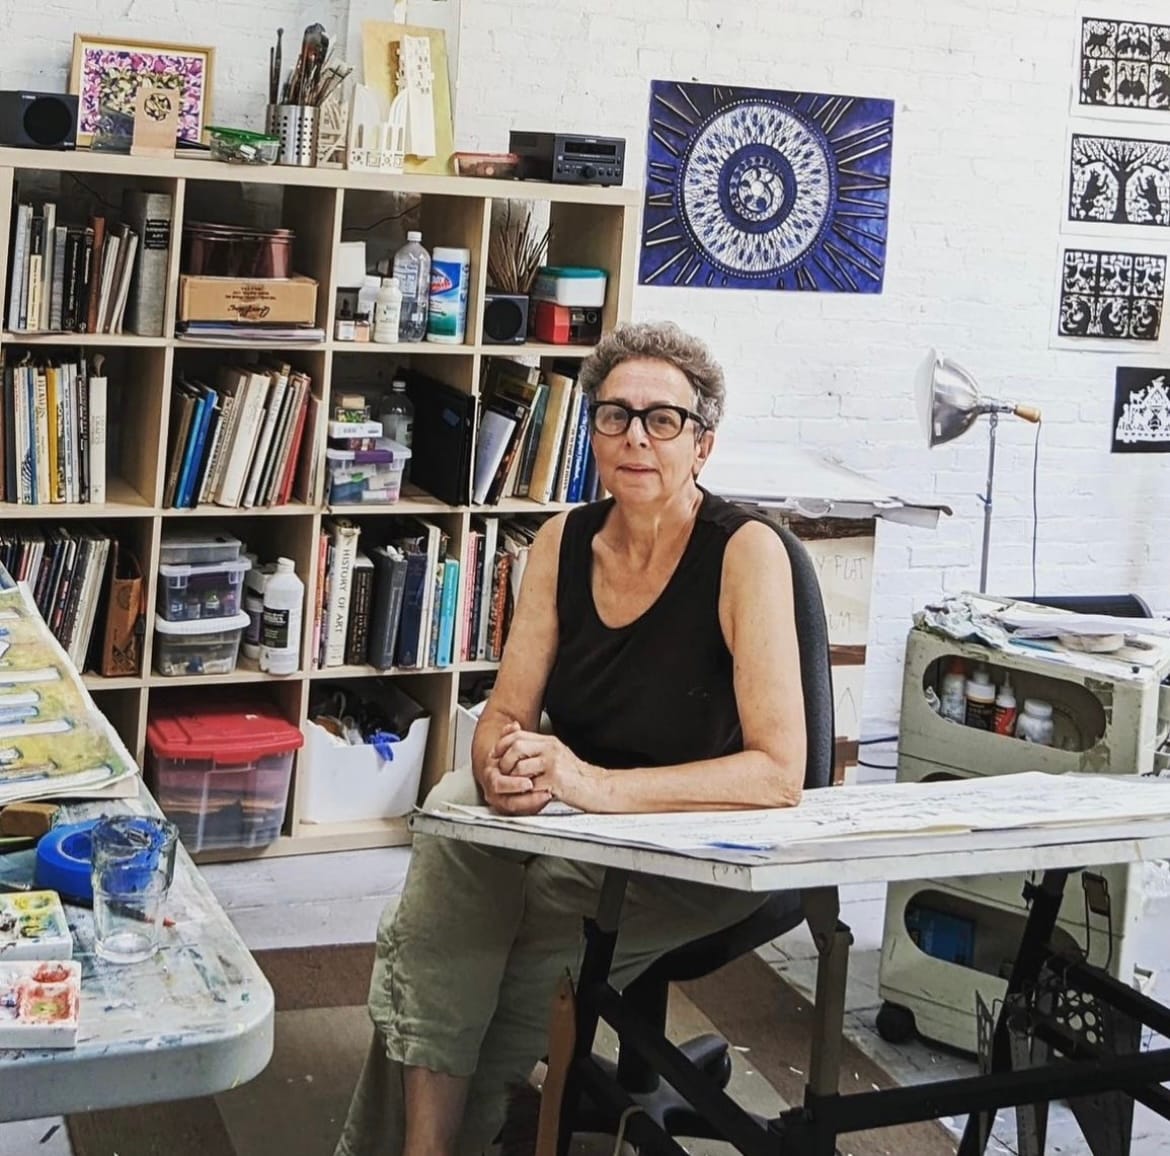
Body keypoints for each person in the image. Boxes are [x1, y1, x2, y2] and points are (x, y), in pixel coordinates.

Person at [335, 320, 807, 1156]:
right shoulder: (562, 540)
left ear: (702, 444)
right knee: (450, 829)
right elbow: (506, 717)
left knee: (480, 950)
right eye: (614, 415)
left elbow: (777, 775)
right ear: (592, 433)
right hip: (574, 817)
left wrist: (592, 785)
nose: (636, 437)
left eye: (663, 419)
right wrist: (500, 764)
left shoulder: (746, 553)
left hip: (699, 838)